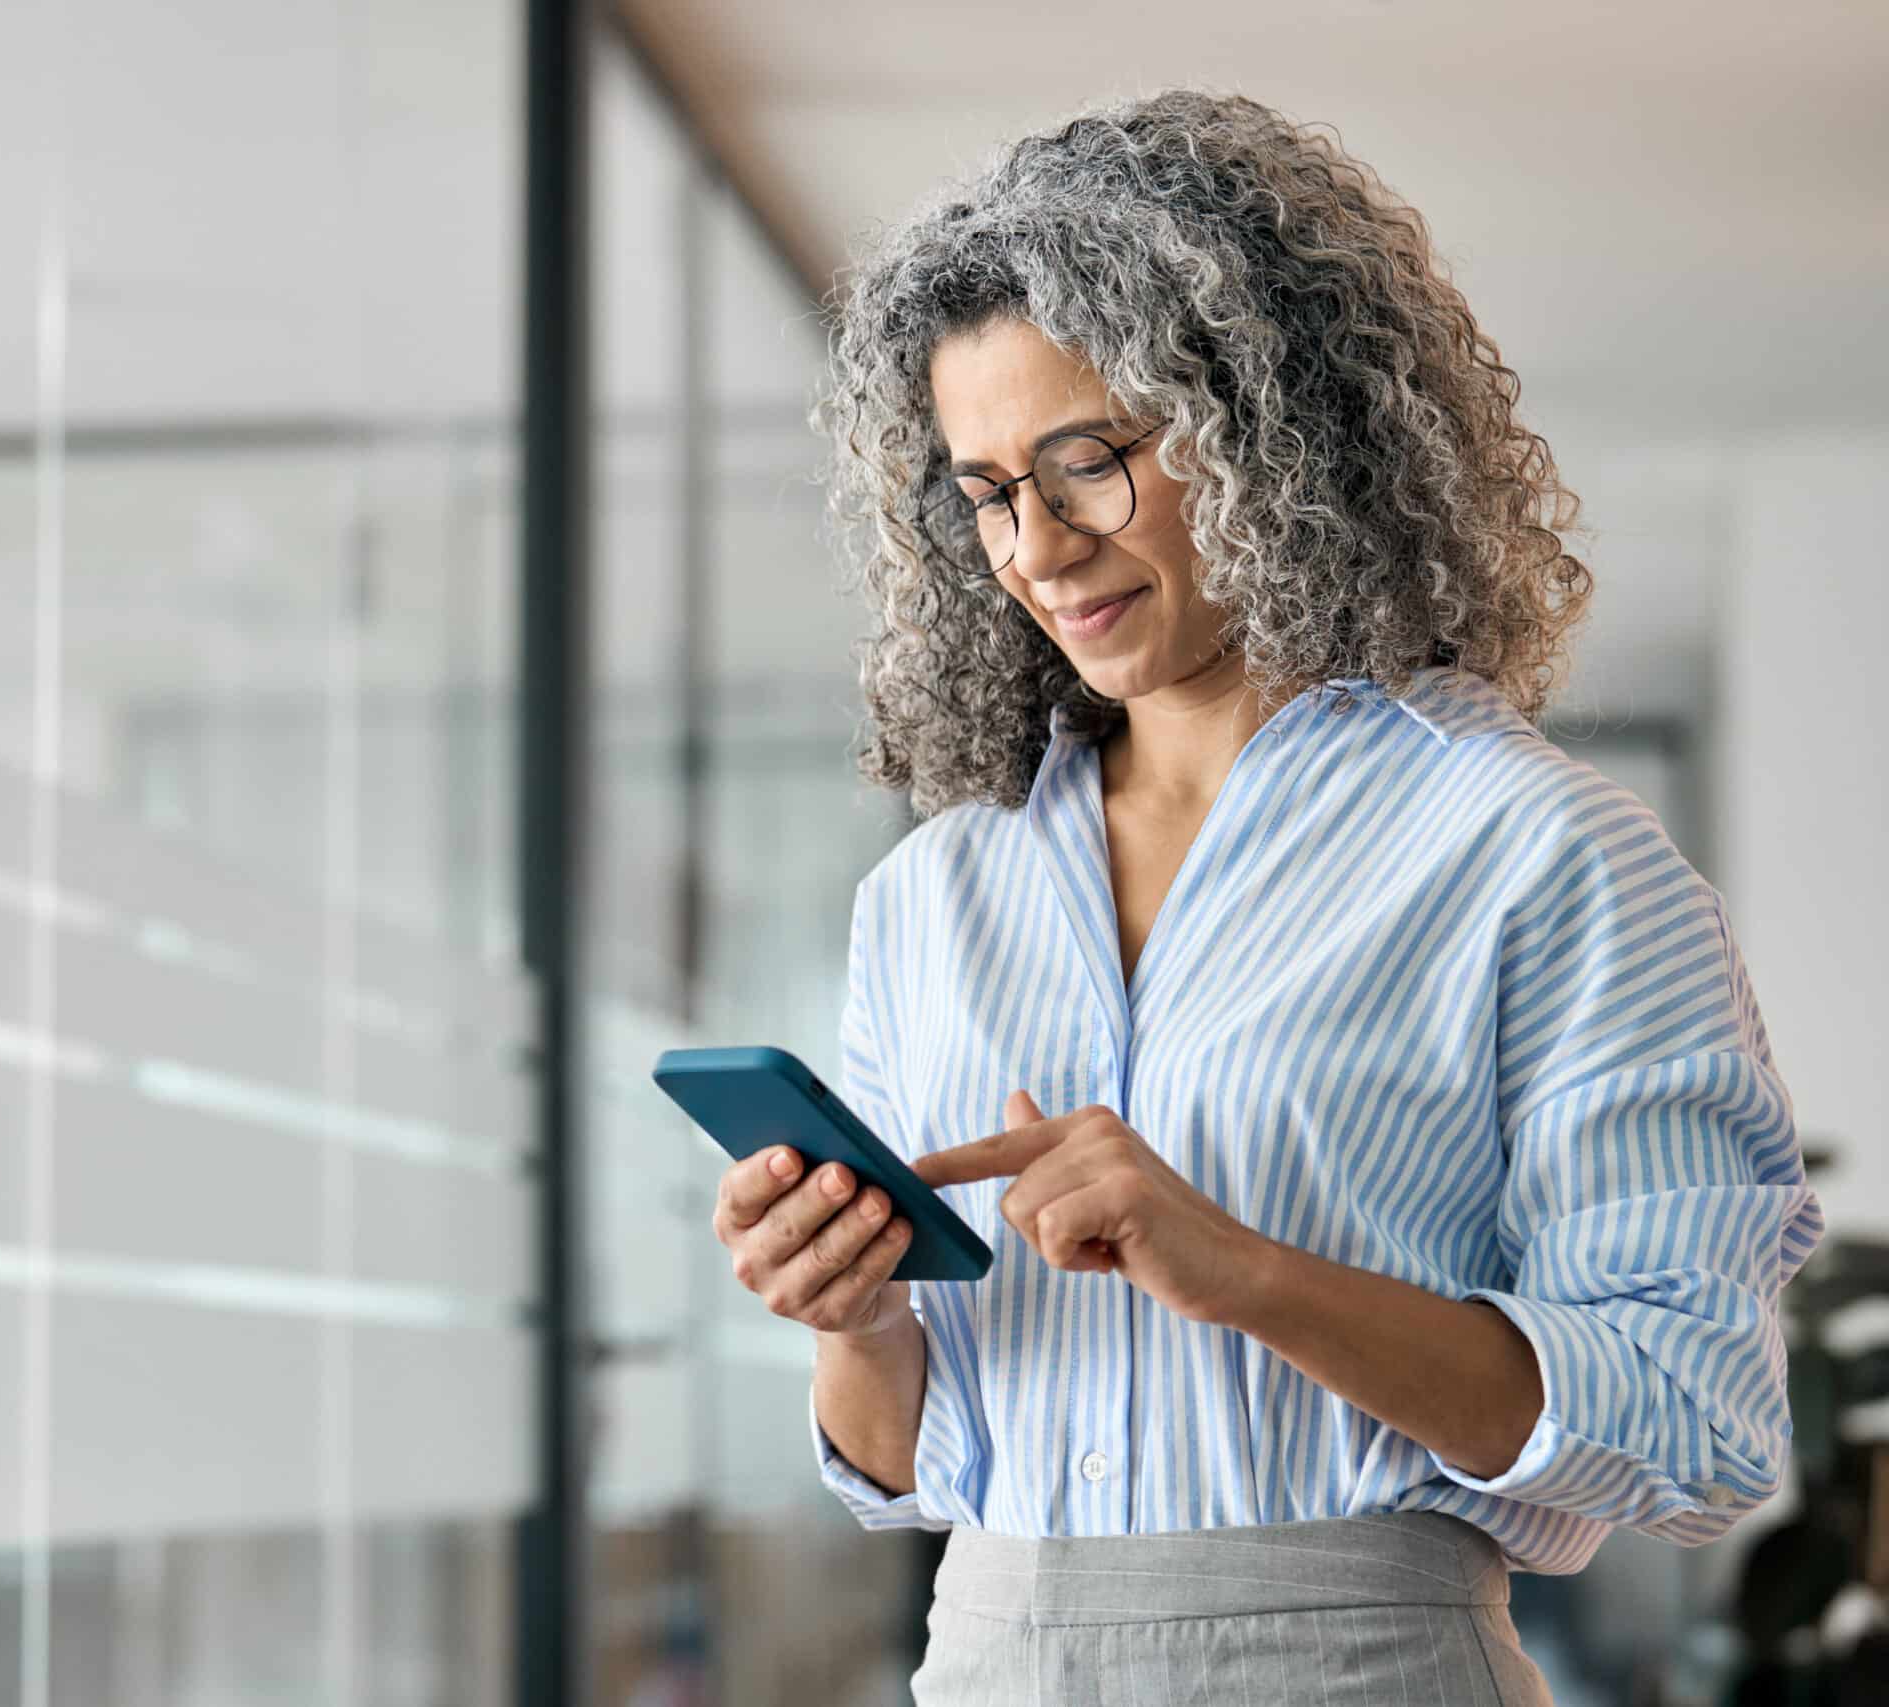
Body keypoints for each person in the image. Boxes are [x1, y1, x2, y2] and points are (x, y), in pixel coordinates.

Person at [708, 87, 1826, 1704]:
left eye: (1089, 460)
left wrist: (1249, 1272)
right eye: (986, 492)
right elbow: (910, 1465)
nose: (1037, 546)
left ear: (1271, 432)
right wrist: (855, 1319)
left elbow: (1691, 1425)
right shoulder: (932, 897)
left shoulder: (1536, 852)